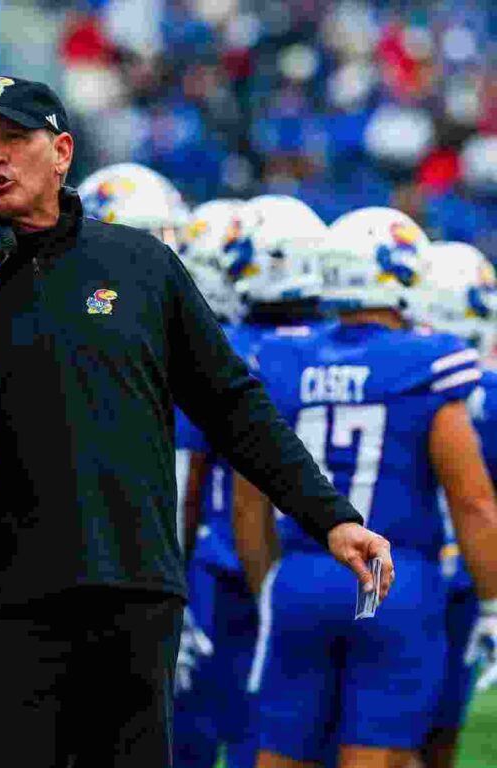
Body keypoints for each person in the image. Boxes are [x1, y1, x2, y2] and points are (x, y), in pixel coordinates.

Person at [0, 75, 393, 768]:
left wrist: (329, 516)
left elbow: (232, 403)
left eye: (13, 140)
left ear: (61, 152)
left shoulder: (140, 264)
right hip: (0, 599)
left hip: (132, 593)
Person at [236, 209, 497, 768]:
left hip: (303, 574)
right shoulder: (427, 361)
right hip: (392, 578)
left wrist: (270, 588)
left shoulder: (282, 356)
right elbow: (472, 501)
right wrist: (493, 605)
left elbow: (249, 495)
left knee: (280, 754)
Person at [174, 195, 332, 768]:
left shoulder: (222, 347)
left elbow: (187, 475)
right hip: (320, 557)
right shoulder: (335, 348)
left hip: (224, 563)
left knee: (216, 729)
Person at [417, 241, 497, 768]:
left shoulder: (389, 375)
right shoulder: (485, 390)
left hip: (394, 564)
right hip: (463, 574)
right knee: (438, 732)